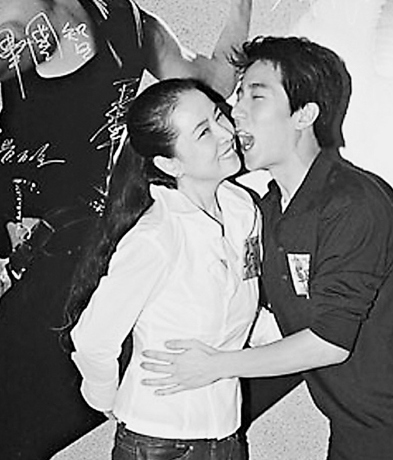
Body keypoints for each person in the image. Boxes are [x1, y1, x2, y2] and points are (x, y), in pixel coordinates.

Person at [139, 36, 393, 460]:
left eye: (255, 97)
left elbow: (329, 342)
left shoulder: (353, 203)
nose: (235, 111)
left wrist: (215, 365)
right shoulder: (265, 211)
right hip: (352, 432)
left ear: (304, 114)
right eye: (238, 97)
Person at [0, 0, 253, 458]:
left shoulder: (129, 19)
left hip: (73, 263)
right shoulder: (22, 24)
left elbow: (215, 82)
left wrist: (241, 7)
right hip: (34, 266)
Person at [65, 77, 278, 460]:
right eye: (204, 132)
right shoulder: (156, 237)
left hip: (227, 436)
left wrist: (310, 336)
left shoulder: (243, 209)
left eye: (219, 116)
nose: (226, 133)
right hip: (157, 442)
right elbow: (93, 339)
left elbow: (243, 312)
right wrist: (107, 401)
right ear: (169, 163)